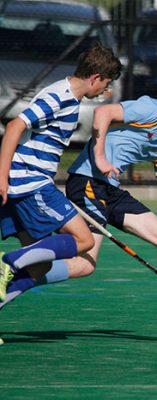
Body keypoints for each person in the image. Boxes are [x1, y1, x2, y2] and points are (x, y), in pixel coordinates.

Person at [0, 75, 157, 338]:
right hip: (88, 180)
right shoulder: (153, 109)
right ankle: (17, 272)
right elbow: (103, 112)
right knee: (83, 259)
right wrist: (100, 157)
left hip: (110, 190)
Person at [0, 43, 122, 301]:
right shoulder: (60, 97)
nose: (105, 90)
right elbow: (14, 126)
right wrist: (2, 177)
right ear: (95, 77)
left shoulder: (66, 93)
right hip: (30, 183)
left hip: (26, 182)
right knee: (84, 240)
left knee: (39, 265)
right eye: (105, 83)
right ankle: (8, 262)